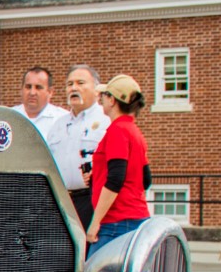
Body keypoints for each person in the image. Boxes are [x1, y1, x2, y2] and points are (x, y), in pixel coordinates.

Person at [86, 74, 152, 253]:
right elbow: (145, 179)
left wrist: (95, 222)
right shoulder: (135, 132)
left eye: (105, 95)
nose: (101, 99)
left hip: (115, 222)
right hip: (138, 218)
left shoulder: (117, 131)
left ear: (112, 101)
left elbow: (116, 179)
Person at [47, 64, 109, 226]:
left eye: (80, 83)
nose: (74, 88)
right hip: (62, 201)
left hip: (91, 200)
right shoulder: (58, 124)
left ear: (97, 90)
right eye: (69, 84)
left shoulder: (106, 120)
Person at [12, 67, 64, 142]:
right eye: (28, 87)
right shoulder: (9, 116)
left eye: (38, 87)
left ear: (50, 92)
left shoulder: (61, 120)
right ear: (21, 89)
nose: (32, 92)